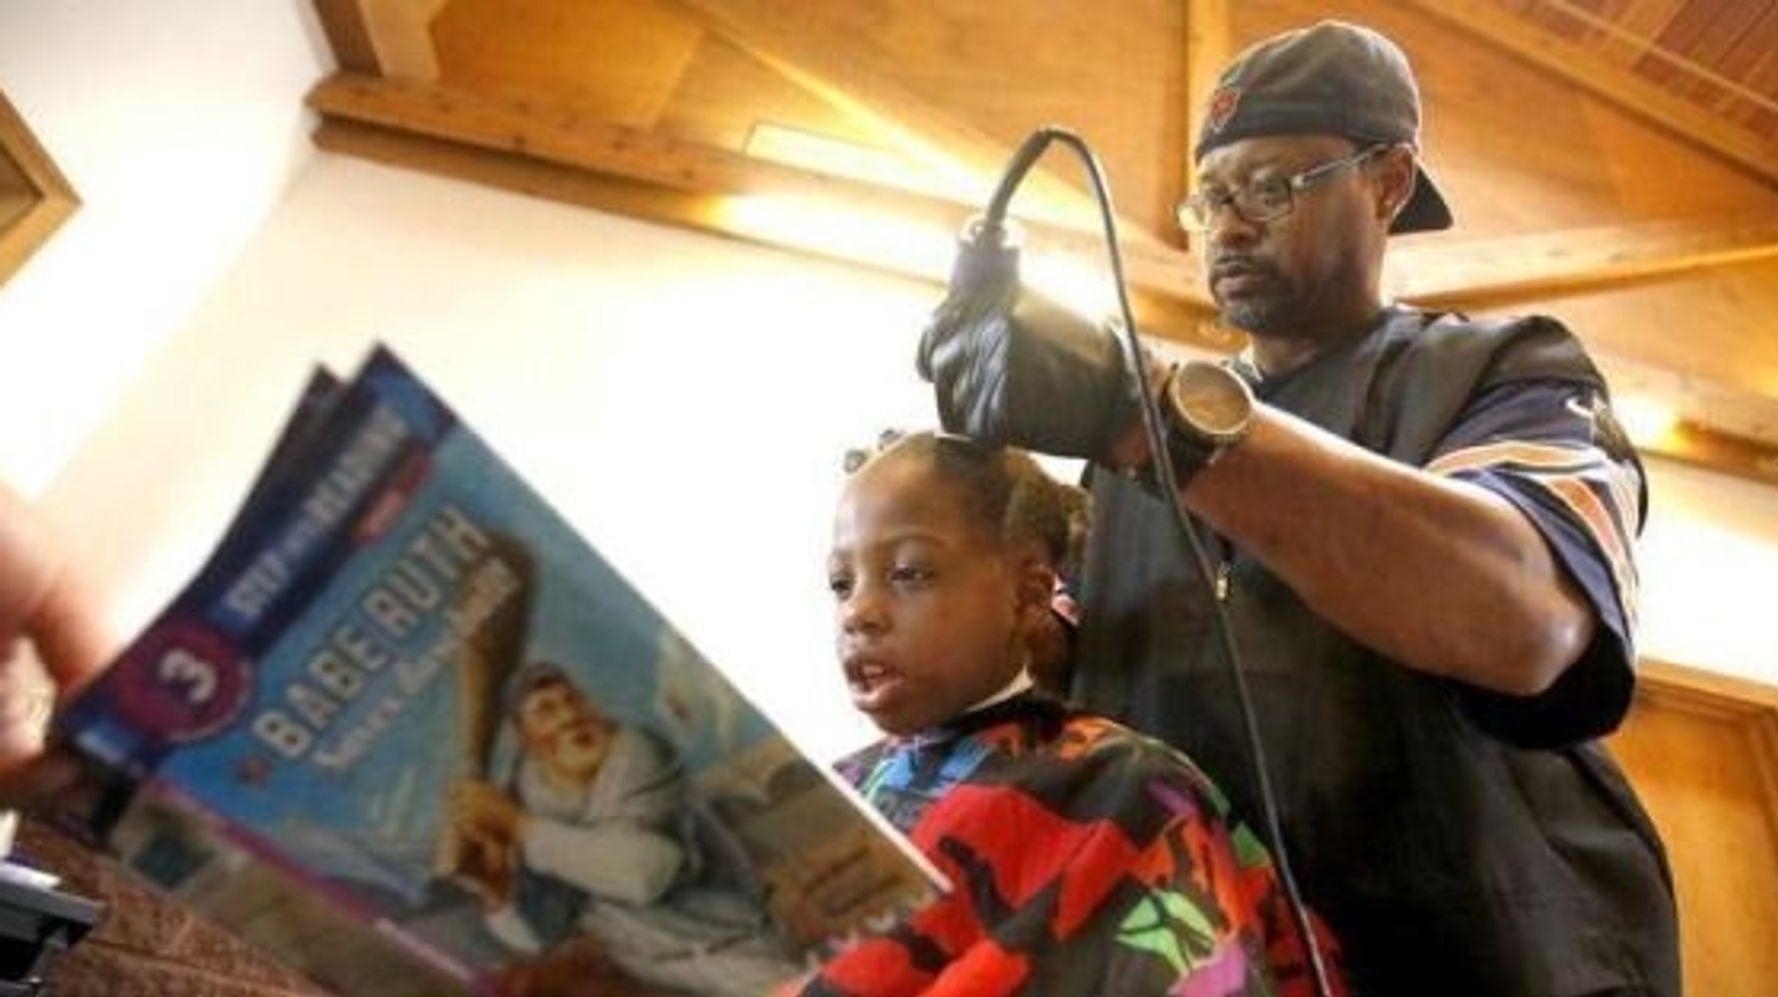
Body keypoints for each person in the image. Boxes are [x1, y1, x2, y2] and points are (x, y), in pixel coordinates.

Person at [916, 19, 1679, 997]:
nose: (1228, 227)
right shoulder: (1121, 463)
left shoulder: (1500, 373)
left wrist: (1145, 409)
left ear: (1387, 182)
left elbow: (1522, 617)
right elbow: (1078, 689)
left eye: (1272, 187)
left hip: (1474, 958)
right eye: (1210, 199)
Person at [797, 431, 1342, 996]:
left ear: (1030, 594)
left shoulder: (1124, 790)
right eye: (842, 584)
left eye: (910, 573)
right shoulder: (832, 795)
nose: (858, 612)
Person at [449, 662, 802, 997]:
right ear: (524, 736)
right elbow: (547, 932)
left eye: (573, 700)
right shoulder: (527, 797)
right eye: (547, 710)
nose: (570, 717)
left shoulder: (639, 756)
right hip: (649, 973)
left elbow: (644, 874)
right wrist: (496, 891)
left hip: (734, 948)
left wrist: (519, 827)